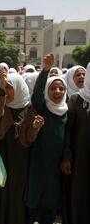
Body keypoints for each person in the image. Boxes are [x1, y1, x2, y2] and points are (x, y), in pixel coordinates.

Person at [0, 66, 43, 224]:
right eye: (5, 89)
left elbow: (30, 138)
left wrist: (35, 128)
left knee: (18, 191)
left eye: (9, 88)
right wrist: (2, 85)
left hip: (21, 158)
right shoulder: (3, 107)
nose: (7, 92)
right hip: (4, 156)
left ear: (19, 88)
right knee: (2, 189)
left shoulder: (29, 109)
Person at [26, 53, 68, 224]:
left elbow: (69, 139)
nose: (57, 92)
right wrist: (45, 71)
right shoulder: (43, 108)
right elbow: (36, 96)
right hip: (38, 162)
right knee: (34, 201)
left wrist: (66, 158)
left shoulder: (68, 111)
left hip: (56, 166)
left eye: (61, 89)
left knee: (50, 205)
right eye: (52, 88)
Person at [61, 62, 90, 224]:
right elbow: (69, 131)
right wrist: (66, 157)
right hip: (80, 156)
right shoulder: (76, 99)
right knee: (79, 193)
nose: (82, 77)